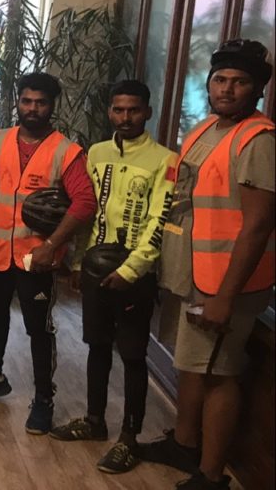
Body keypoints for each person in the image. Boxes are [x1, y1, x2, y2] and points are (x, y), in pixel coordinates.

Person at [141, 39, 274, 490]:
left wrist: (225, 298)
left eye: (240, 82)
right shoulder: (205, 130)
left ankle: (212, 475)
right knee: (192, 365)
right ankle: (184, 443)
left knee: (218, 374)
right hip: (190, 275)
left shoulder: (258, 141)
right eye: (220, 79)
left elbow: (258, 225)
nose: (227, 89)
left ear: (258, 90)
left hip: (223, 285)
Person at [50, 80, 176, 474]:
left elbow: (159, 221)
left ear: (147, 112)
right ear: (109, 112)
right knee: (97, 346)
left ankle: (129, 438)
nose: (125, 117)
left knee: (133, 355)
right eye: (118, 110)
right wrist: (77, 263)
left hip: (134, 275)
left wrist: (131, 270)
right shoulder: (97, 153)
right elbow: (88, 211)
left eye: (133, 110)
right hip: (94, 268)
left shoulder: (164, 160)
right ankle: (94, 421)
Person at [0, 72, 95, 435]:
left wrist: (52, 246)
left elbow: (85, 203)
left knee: (39, 328)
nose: (33, 109)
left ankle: (44, 399)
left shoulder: (66, 151)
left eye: (41, 103)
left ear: (52, 106)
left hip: (37, 259)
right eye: (27, 101)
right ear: (18, 102)